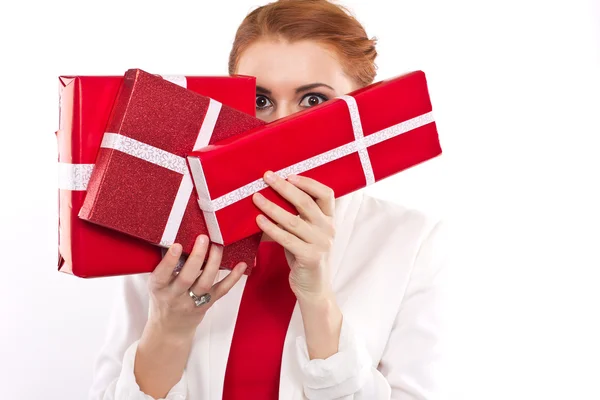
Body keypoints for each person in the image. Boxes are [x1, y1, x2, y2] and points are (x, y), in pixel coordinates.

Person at [89, 0, 448, 399]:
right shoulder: (166, 226)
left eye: (313, 100)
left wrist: (318, 302)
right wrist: (168, 328)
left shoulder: (411, 240)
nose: (279, 125)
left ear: (363, 106)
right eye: (261, 101)